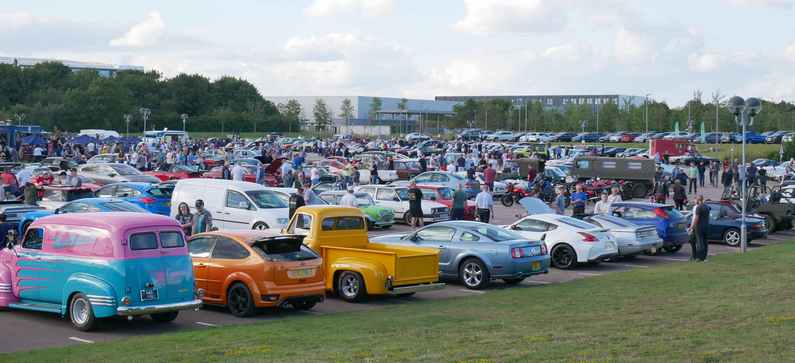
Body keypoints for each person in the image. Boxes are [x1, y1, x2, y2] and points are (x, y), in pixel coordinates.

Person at [688, 195, 710, 262]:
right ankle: (703, 257)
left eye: (695, 200)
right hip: (706, 226)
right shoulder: (706, 207)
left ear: (698, 200)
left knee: (700, 242)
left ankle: (700, 258)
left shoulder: (698, 207)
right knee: (704, 241)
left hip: (699, 226)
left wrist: (691, 227)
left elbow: (696, 218)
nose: (694, 201)